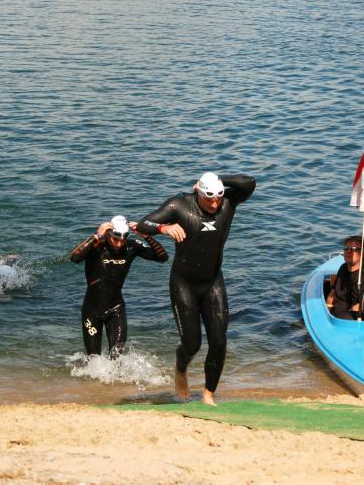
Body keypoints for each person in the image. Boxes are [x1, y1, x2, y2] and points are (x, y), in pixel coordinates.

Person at [136, 172, 256, 405]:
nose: (214, 203)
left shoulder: (228, 203)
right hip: (184, 284)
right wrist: (164, 229)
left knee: (219, 342)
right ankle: (180, 370)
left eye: (218, 197)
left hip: (213, 283)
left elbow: (249, 183)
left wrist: (220, 179)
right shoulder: (179, 205)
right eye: (209, 198)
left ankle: (208, 394)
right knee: (192, 344)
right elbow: (144, 223)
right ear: (199, 193)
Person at [69, 215, 168, 359]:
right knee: (93, 359)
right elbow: (74, 257)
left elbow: (162, 257)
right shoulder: (97, 245)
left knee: (116, 356)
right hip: (92, 310)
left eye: (123, 240)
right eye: (116, 239)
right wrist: (96, 235)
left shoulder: (131, 247)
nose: (119, 244)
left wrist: (145, 235)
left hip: (116, 308)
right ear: (109, 234)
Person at [326, 235, 364, 321]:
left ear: (363, 253)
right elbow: (335, 293)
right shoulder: (343, 268)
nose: (348, 251)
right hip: (342, 312)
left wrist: (344, 315)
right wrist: (328, 307)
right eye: (346, 248)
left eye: (354, 249)